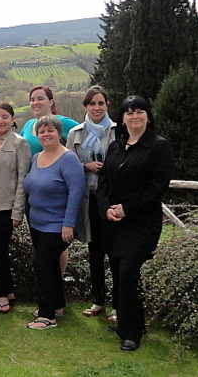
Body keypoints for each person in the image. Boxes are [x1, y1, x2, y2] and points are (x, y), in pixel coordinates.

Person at [96, 95, 173, 351]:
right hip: (114, 221)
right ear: (122, 118)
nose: (134, 116)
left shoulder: (159, 147)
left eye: (139, 111)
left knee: (128, 270)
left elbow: (158, 186)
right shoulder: (116, 147)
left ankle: (131, 333)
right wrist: (106, 208)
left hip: (141, 223)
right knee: (118, 270)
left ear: (148, 116)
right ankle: (127, 321)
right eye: (129, 112)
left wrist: (126, 209)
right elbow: (104, 181)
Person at [23, 115, 85, 329]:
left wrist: (68, 224)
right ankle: (56, 304)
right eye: (41, 131)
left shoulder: (69, 159)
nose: (46, 134)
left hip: (59, 224)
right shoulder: (37, 157)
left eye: (50, 130)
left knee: (44, 265)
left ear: (59, 133)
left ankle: (47, 316)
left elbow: (76, 192)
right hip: (37, 223)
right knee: (47, 264)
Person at [66, 86, 117, 320]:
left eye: (101, 103)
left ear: (107, 105)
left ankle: (118, 304)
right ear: (85, 107)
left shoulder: (118, 131)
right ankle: (98, 301)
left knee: (115, 253)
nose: (97, 108)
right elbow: (66, 165)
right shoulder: (76, 134)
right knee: (94, 252)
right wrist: (84, 166)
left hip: (113, 200)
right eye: (92, 104)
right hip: (88, 200)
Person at [20, 85, 79, 281]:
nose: (36, 102)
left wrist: (83, 164)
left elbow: (83, 135)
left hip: (56, 195)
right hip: (35, 194)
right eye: (33, 99)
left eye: (40, 98)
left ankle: (56, 286)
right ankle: (54, 296)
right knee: (41, 250)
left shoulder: (63, 122)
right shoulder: (28, 125)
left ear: (51, 102)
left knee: (52, 251)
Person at [0, 102, 31, 313]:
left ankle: (2, 296)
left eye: (4, 117)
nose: (0, 121)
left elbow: (23, 180)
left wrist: (17, 211)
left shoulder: (20, 143)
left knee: (0, 252)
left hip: (6, 206)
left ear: (12, 119)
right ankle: (7, 290)